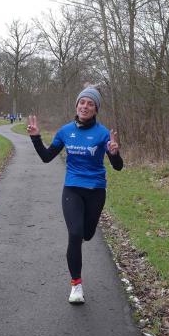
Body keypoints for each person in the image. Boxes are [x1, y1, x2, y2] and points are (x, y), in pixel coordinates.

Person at [26, 86, 122, 304]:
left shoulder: (103, 133)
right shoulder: (65, 131)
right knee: (75, 234)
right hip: (72, 188)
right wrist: (36, 138)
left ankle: (83, 243)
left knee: (87, 234)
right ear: (76, 105)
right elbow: (47, 157)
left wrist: (115, 154)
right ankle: (76, 285)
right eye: (82, 102)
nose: (85, 107)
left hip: (96, 190)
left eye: (90, 104)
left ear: (96, 109)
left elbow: (117, 166)